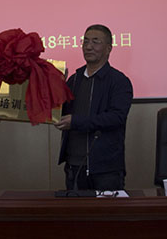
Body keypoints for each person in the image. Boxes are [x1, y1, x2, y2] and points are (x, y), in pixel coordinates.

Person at [55, 24, 133, 191]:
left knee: (108, 209)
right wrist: (56, 89)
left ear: (109, 48)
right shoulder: (74, 80)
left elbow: (116, 118)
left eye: (96, 42)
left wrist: (76, 122)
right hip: (74, 165)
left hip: (106, 169)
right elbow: (59, 113)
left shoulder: (119, 81)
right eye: (85, 42)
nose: (89, 46)